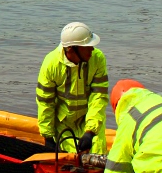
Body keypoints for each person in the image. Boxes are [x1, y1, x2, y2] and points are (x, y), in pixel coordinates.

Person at [35, 22, 109, 156]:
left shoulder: (97, 59)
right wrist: (47, 136)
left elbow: (98, 98)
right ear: (71, 49)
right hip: (64, 122)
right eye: (87, 47)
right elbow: (45, 103)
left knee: (97, 156)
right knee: (67, 160)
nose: (92, 49)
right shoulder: (51, 64)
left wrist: (90, 132)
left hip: (89, 118)